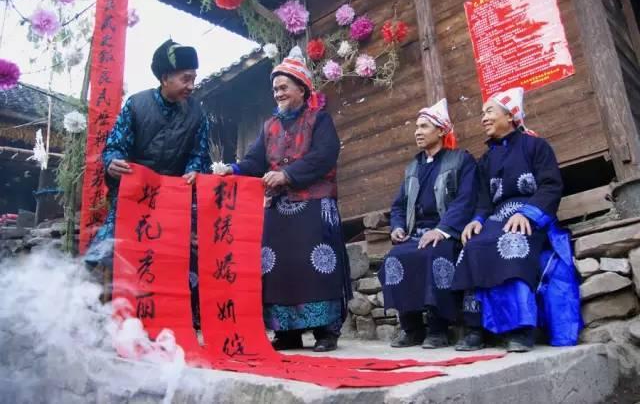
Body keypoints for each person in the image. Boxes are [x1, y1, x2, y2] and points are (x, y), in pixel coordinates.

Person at [217, 47, 350, 352]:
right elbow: (254, 161)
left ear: (302, 89)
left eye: (284, 87)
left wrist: (287, 175)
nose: (278, 93)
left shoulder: (319, 120)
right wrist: (231, 170)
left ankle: (325, 331)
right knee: (276, 264)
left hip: (315, 203)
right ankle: (286, 331)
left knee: (316, 262)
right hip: (279, 206)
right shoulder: (269, 126)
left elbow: (324, 156)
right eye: (275, 89)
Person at [84, 39, 211, 324]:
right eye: (185, 78)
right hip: (134, 197)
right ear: (165, 78)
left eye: (194, 78)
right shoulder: (137, 105)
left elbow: (199, 154)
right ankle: (97, 320)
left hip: (173, 201)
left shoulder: (197, 113)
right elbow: (115, 147)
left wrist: (194, 171)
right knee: (102, 255)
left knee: (176, 259)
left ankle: (167, 321)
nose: (191, 85)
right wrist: (112, 162)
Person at [452, 87, 582, 352]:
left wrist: (528, 214)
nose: (483, 118)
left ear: (510, 115)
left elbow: (550, 185)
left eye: (489, 112)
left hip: (530, 216)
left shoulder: (536, 146)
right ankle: (475, 328)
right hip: (496, 219)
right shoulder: (486, 159)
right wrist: (477, 220)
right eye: (482, 114)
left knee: (512, 243)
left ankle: (521, 329)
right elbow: (483, 199)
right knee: (473, 246)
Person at [378, 99, 479, 350]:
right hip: (417, 234)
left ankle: (438, 328)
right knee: (395, 258)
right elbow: (399, 205)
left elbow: (466, 200)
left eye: (424, 126)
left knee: (436, 256)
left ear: (441, 131)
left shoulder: (461, 160)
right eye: (416, 127)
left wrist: (441, 230)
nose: (417, 132)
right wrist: (397, 227)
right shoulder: (413, 167)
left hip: (447, 233)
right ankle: (412, 328)